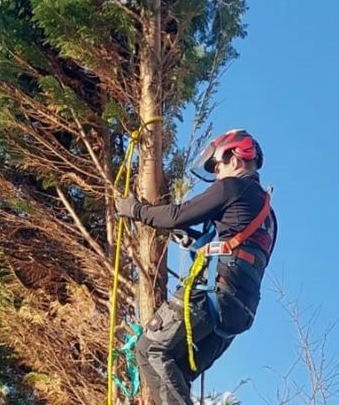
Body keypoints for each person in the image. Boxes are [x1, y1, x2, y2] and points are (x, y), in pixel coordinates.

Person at [114, 129, 277, 405]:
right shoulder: (268, 216)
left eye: (218, 167)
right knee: (175, 370)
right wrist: (193, 238)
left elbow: (178, 214)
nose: (217, 175)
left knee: (150, 349)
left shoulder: (233, 187)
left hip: (215, 294)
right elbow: (237, 245)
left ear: (236, 158)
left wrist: (136, 210)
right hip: (240, 312)